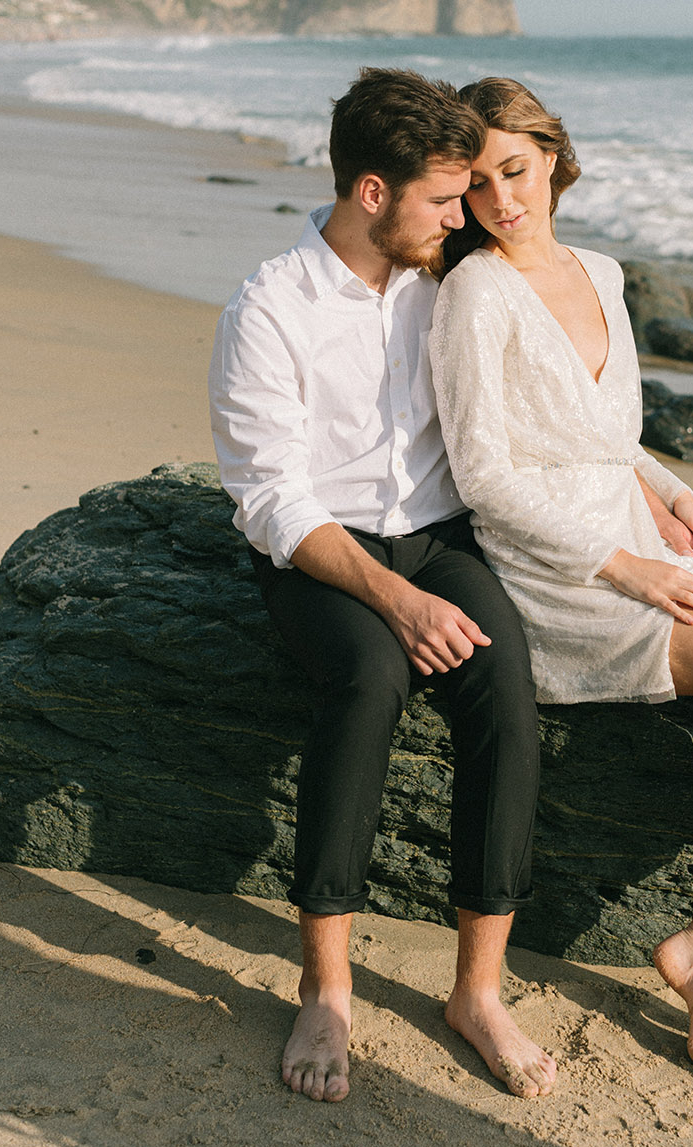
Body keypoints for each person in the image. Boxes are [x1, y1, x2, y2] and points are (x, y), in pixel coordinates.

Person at [430, 77, 693, 1084]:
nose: (503, 199)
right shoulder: (473, 291)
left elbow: (609, 433)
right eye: (481, 182)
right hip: (559, 573)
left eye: (518, 171)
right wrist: (626, 566)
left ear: (555, 161)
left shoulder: (604, 272)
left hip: (629, 531)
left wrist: (671, 489)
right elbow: (482, 475)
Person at [208, 68, 556, 1103]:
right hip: (320, 553)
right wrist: (396, 604)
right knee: (367, 685)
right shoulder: (270, 305)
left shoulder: (446, 279)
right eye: (443, 198)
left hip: (441, 540)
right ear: (371, 192)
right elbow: (272, 500)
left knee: (506, 690)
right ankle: (326, 987)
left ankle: (477, 992)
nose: (463, 216)